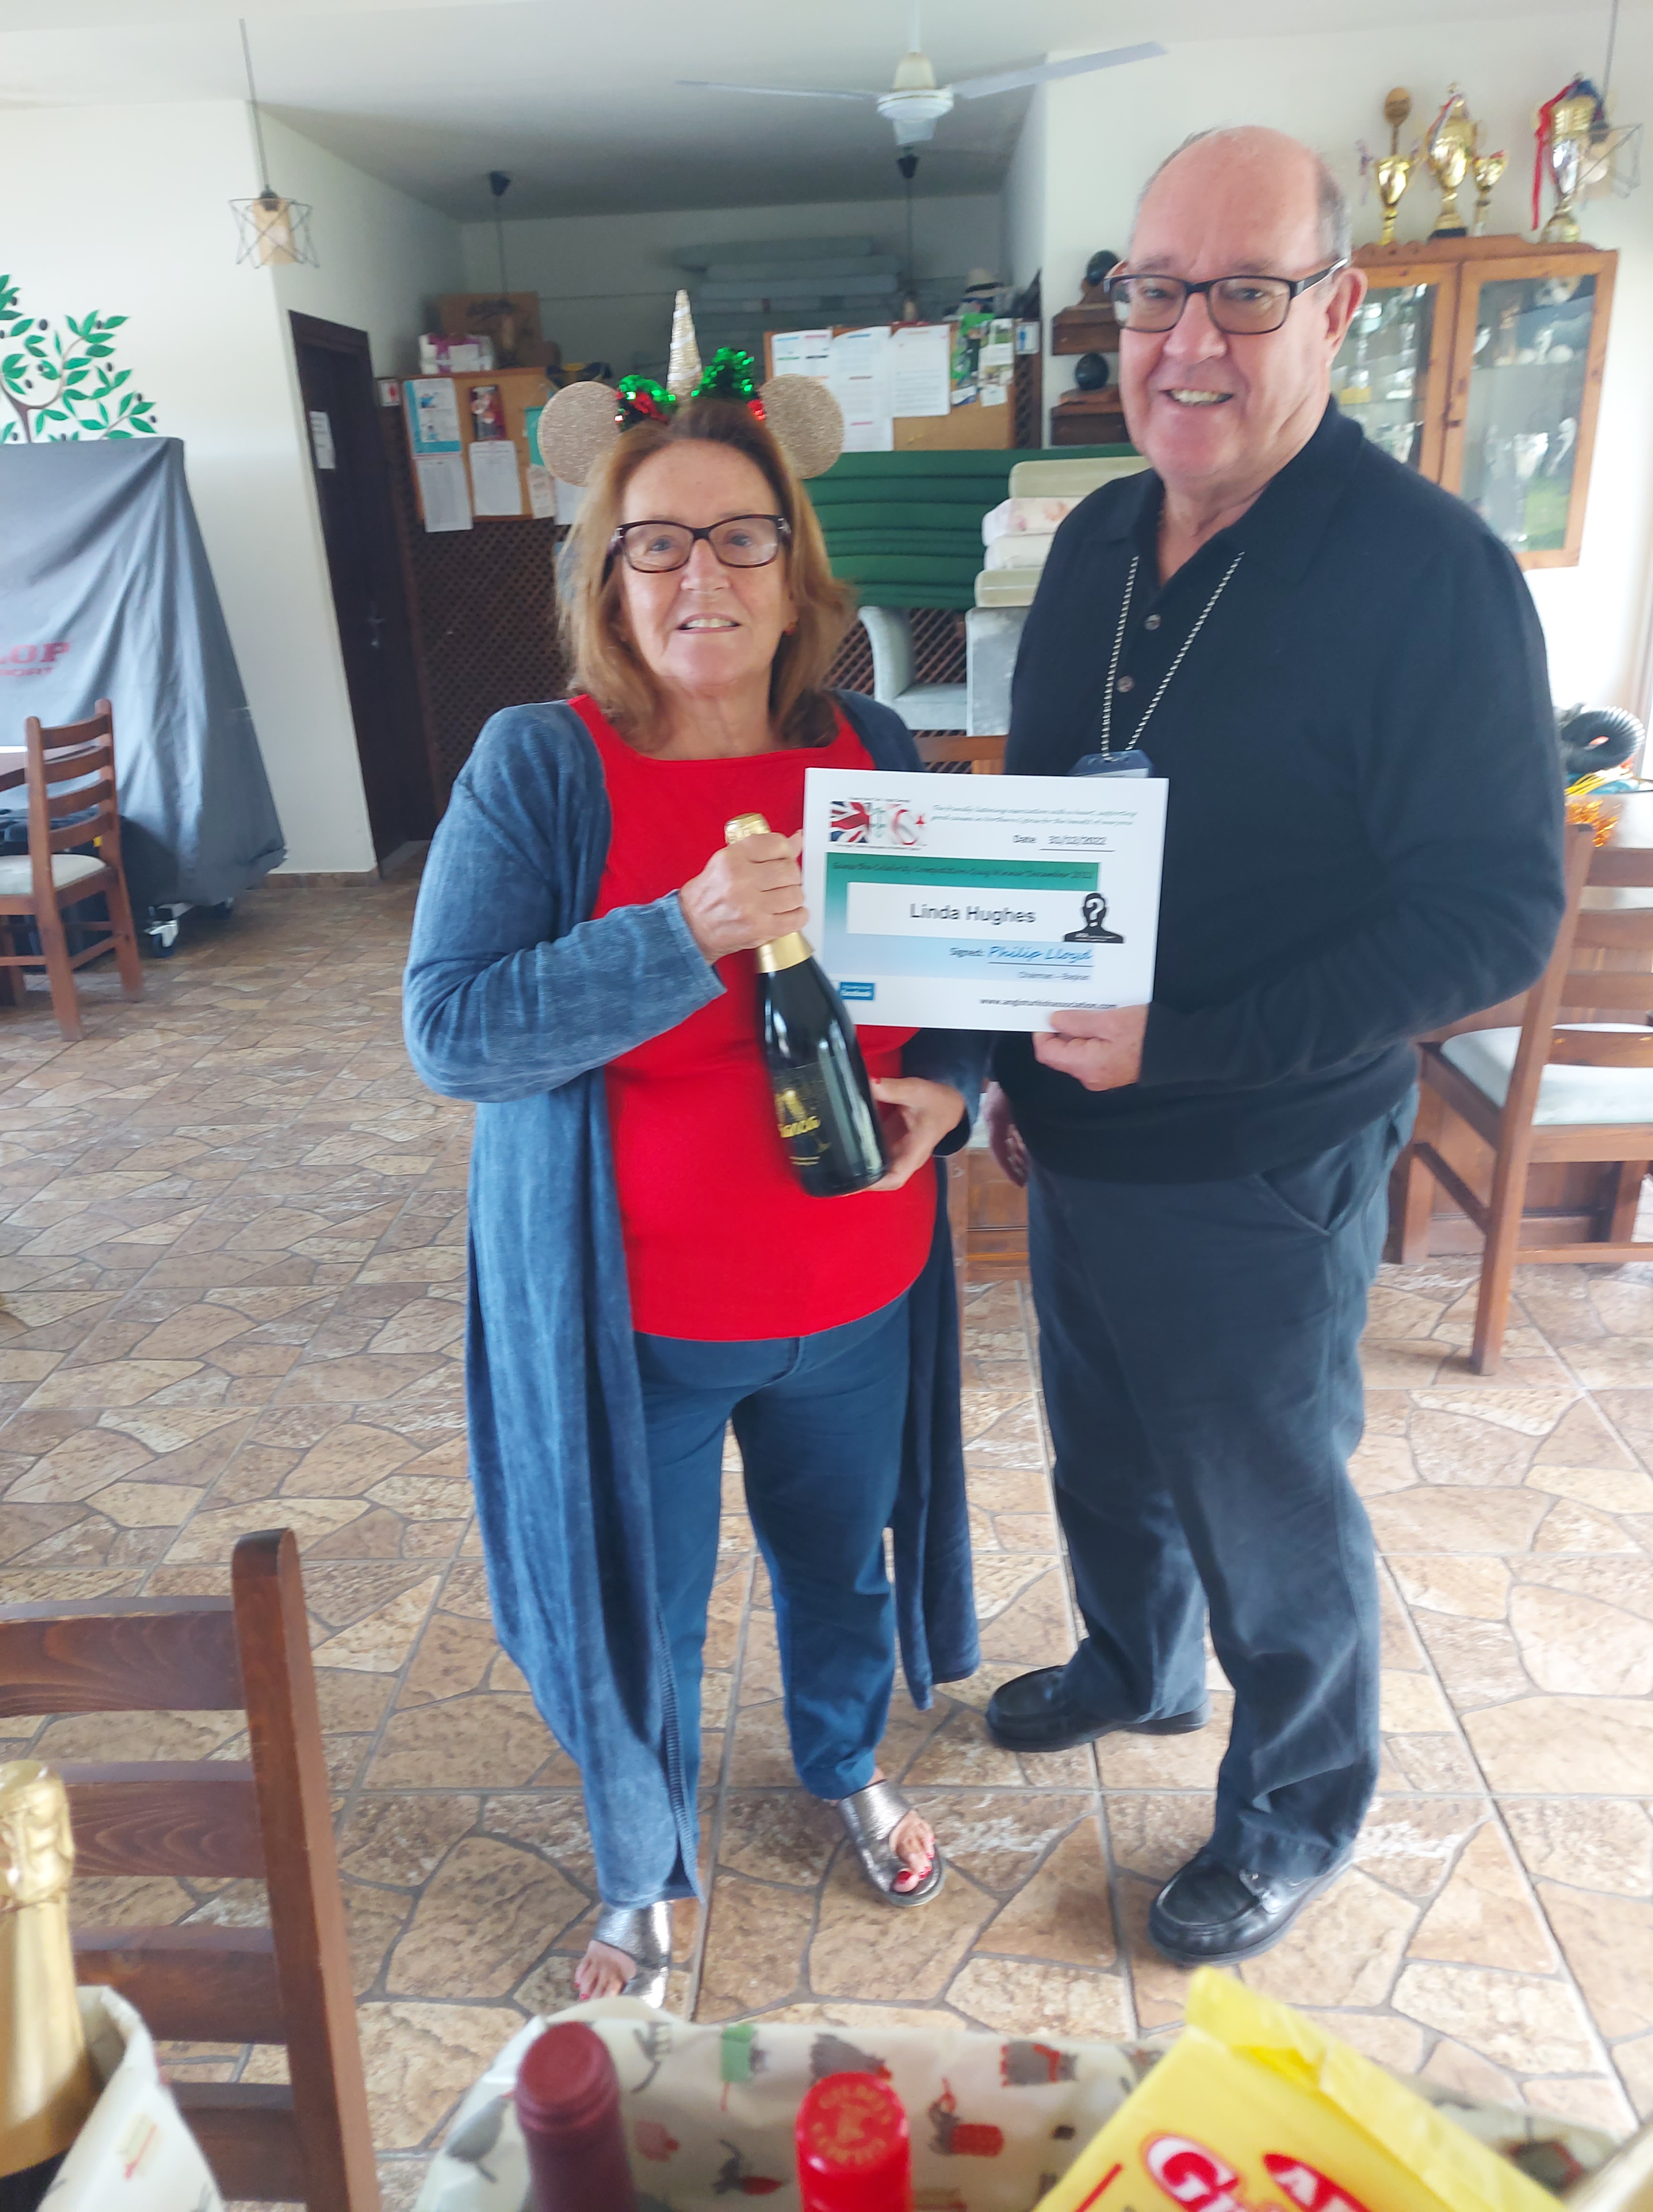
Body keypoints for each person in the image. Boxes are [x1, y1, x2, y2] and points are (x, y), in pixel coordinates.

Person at [984, 126, 1564, 1965]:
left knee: (1268, 1505)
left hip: (1262, 1156)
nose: (1188, 342)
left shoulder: (1430, 571)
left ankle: (1298, 1806)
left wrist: (1186, 1043)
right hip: (1077, 1134)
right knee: (1099, 1451)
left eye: (1243, 293)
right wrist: (1009, 1062)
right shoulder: (1095, 536)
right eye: (1156, 293)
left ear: (1338, 307)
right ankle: (1135, 1667)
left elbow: (1495, 919)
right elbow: (1046, 833)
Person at [404, 393, 981, 2004]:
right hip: (635, 1325)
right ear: (608, 580)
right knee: (639, 1614)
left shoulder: (870, 749)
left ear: (796, 575)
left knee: (841, 1567)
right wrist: (688, 927)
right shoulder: (543, 766)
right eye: (656, 545)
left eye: (741, 537)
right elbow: (452, 1032)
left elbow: (960, 978)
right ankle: (642, 1867)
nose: (701, 576)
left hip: (858, 1292)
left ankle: (844, 1763)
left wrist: (954, 1086)